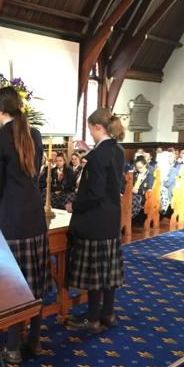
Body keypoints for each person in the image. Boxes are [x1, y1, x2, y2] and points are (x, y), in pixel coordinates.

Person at [0, 86, 50, 364]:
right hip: (34, 219)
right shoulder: (33, 133)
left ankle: (12, 347)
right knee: (32, 284)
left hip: (9, 222)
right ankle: (33, 342)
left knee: (13, 286)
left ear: (0, 111)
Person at [65, 108, 125, 334]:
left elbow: (95, 193)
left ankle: (92, 319)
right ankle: (108, 314)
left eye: (91, 128)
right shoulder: (117, 150)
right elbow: (113, 181)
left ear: (97, 127)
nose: (90, 133)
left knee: (95, 275)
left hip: (95, 220)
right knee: (108, 272)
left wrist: (74, 206)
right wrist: (89, 151)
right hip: (110, 219)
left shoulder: (98, 155)